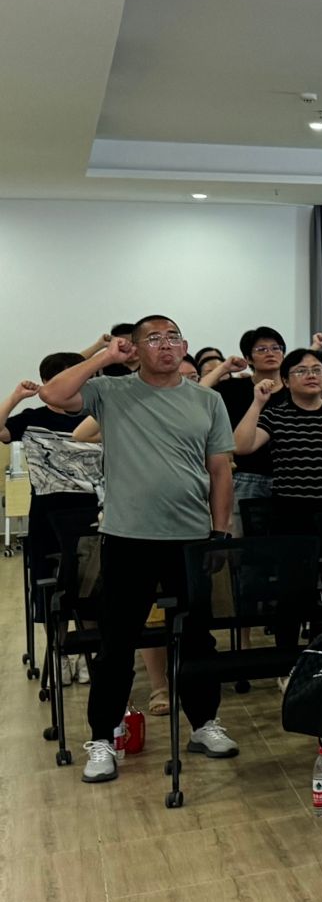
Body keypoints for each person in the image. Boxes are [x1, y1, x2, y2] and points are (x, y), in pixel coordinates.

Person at [41, 319, 240, 784]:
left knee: (198, 638)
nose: (165, 345)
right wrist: (106, 357)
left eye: (173, 337)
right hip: (127, 538)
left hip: (191, 537)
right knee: (117, 642)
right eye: (154, 338)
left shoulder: (207, 400)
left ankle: (204, 724)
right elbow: (53, 393)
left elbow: (220, 471)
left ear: (185, 346)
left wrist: (219, 532)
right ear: (135, 348)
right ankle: (102, 738)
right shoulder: (111, 391)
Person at [230, 348, 322, 539]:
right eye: (301, 371)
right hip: (290, 512)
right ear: (286, 381)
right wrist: (258, 403)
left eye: (317, 370)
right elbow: (241, 446)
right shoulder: (275, 415)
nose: (311, 375)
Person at [212, 326, 288, 505]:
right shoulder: (234, 388)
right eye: (262, 349)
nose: (270, 353)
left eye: (276, 348)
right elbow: (198, 394)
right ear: (248, 358)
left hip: (287, 478)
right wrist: (224, 367)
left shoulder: (294, 392)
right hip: (246, 476)